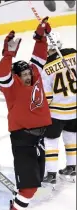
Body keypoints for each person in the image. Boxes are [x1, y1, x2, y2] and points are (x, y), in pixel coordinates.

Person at [0, 17, 52, 210]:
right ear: (17, 77)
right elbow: (1, 74)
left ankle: (16, 209)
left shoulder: (36, 77)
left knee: (34, 184)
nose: (28, 75)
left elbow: (39, 56)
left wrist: (41, 35)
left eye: (29, 73)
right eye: (24, 74)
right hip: (22, 141)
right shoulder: (11, 88)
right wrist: (8, 55)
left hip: (39, 140)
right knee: (29, 187)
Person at [41, 32, 77, 185]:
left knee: (50, 142)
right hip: (75, 109)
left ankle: (51, 175)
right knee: (71, 139)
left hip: (56, 112)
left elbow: (47, 97)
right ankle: (72, 167)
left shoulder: (45, 67)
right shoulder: (74, 54)